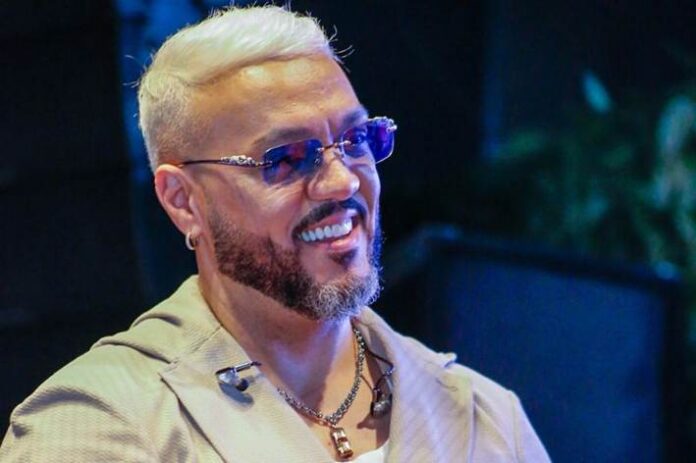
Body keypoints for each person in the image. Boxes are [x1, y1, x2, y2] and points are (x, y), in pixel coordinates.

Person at [0, 6, 550, 462]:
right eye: (287, 158)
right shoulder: (99, 424)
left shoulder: (484, 418)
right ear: (183, 201)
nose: (341, 182)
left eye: (356, 140)